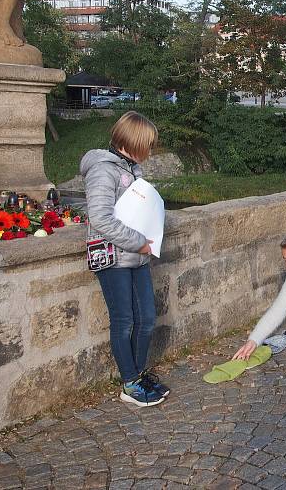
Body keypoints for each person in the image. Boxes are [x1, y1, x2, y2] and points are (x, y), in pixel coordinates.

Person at [81, 111, 169, 407]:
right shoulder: (102, 170)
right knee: (124, 321)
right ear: (133, 142)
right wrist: (140, 243)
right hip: (113, 258)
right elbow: (101, 219)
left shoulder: (131, 168)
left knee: (146, 319)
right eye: (148, 145)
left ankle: (138, 374)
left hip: (136, 256)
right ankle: (130, 383)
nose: (151, 151)